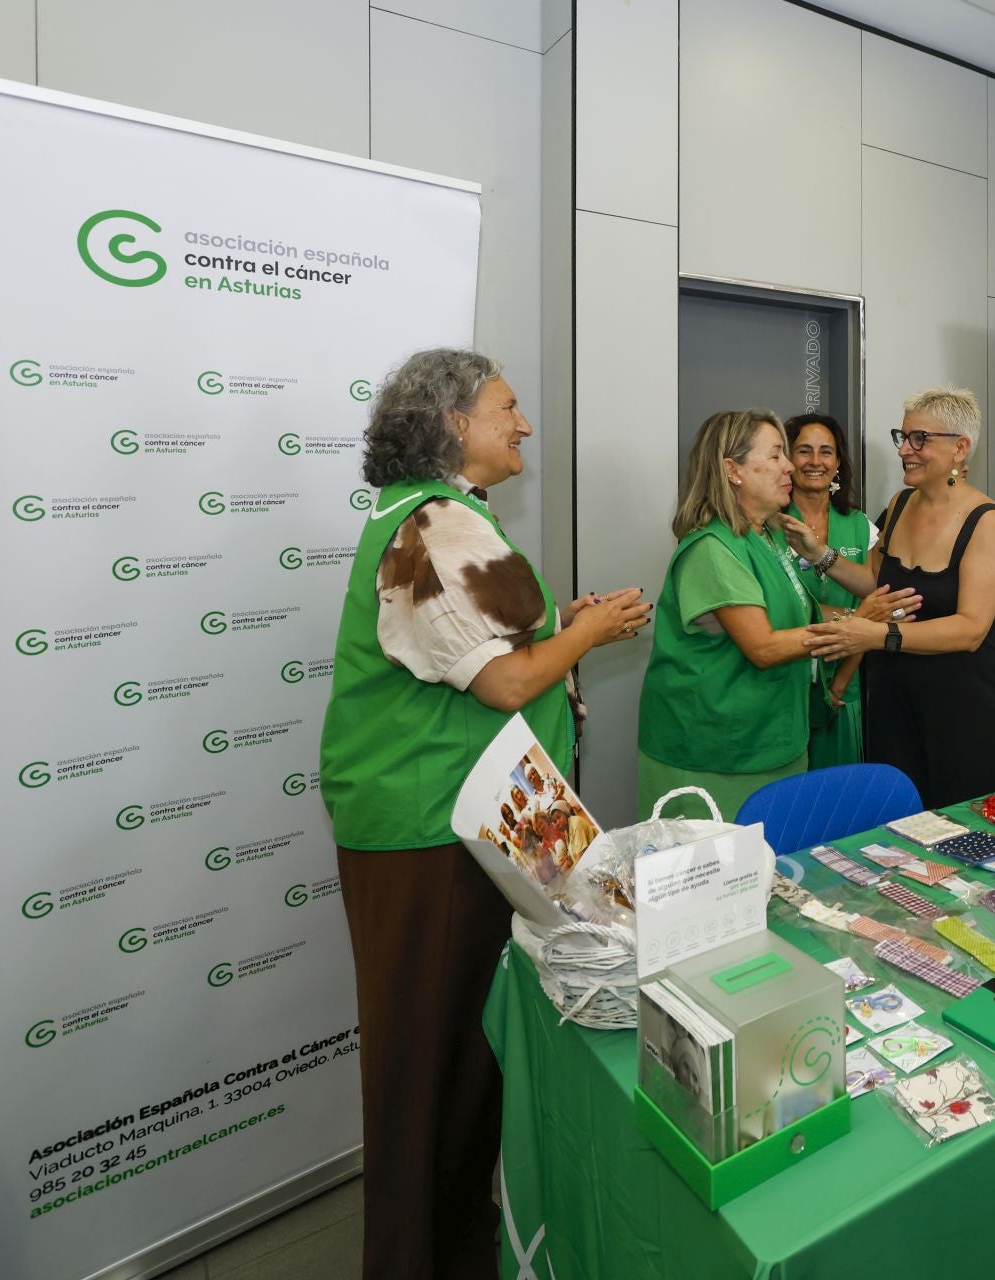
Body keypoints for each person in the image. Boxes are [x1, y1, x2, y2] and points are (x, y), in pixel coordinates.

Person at [319, 347, 650, 1280]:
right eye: (509, 407)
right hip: (429, 832)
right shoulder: (431, 525)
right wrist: (586, 633)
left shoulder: (446, 519)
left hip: (453, 827)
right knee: (428, 1069)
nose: (525, 425)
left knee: (459, 1063)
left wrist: (562, 628)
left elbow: (494, 649)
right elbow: (506, 679)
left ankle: (455, 1248)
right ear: (455, 421)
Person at [637, 410, 913, 818]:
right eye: (777, 455)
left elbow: (800, 610)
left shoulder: (767, 535)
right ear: (733, 471)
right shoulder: (712, 548)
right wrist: (856, 627)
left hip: (772, 742)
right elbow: (763, 646)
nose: (790, 467)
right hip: (714, 756)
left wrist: (854, 620)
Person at [797, 388, 995, 808]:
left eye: (919, 439)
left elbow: (971, 629)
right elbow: (878, 584)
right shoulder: (899, 504)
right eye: (903, 436)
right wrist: (819, 555)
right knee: (900, 820)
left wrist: (878, 635)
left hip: (965, 701)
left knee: (962, 823)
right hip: (897, 694)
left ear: (960, 448)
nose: (904, 450)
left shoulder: (986, 520)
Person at [785, 412, 880, 768]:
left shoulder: (859, 525)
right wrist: (855, 619)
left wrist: (841, 682)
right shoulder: (767, 523)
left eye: (826, 452)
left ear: (838, 463)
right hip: (784, 685)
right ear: (787, 459)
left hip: (844, 685)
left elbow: (876, 604)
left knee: (839, 803)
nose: (814, 461)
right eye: (803, 451)